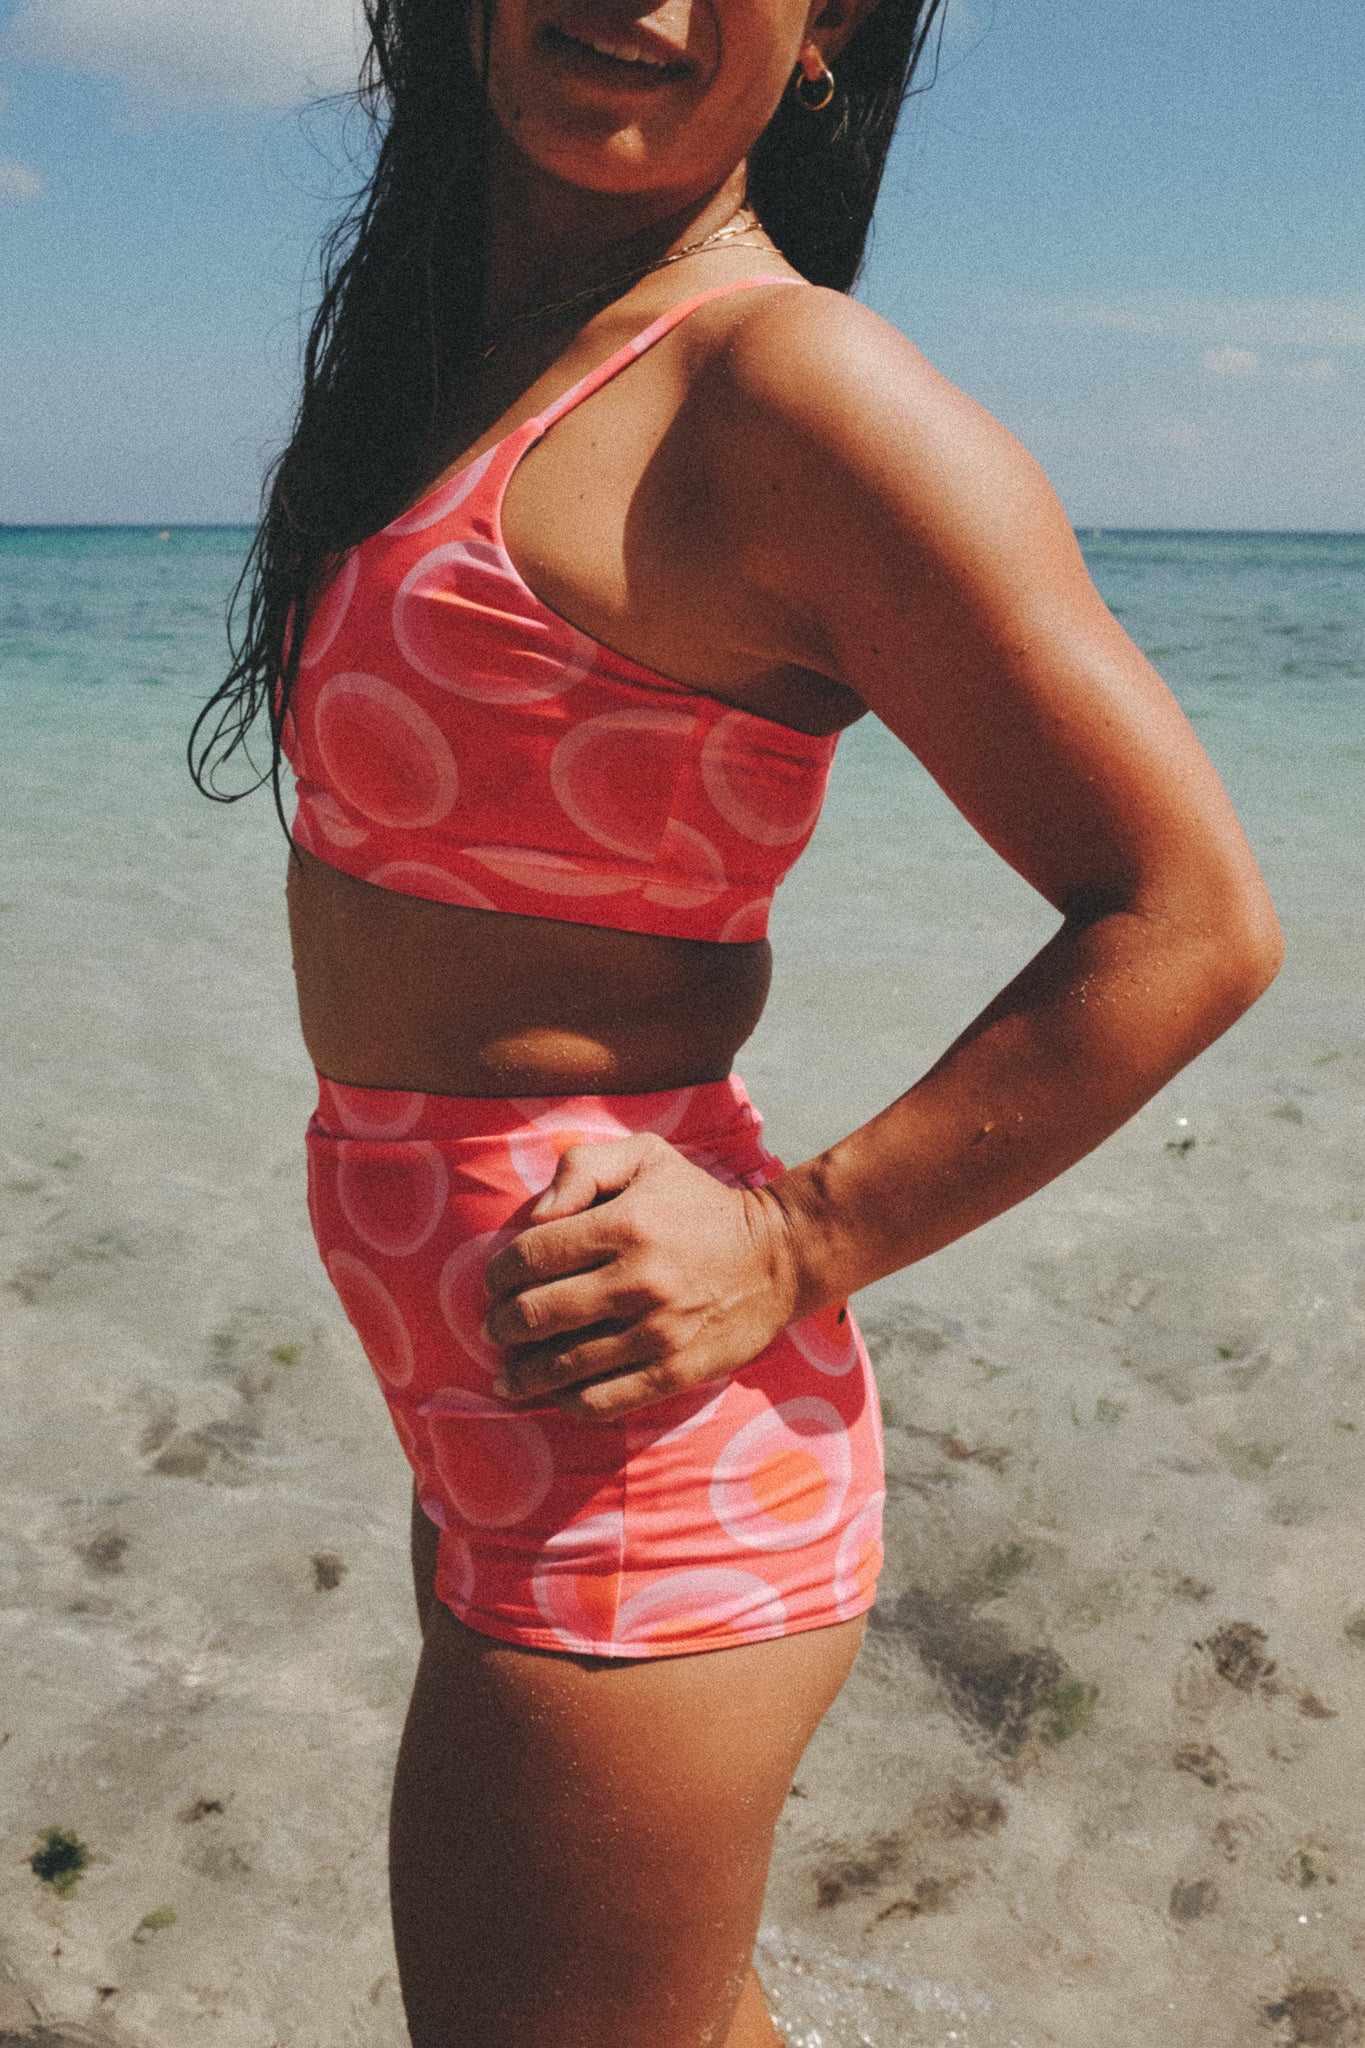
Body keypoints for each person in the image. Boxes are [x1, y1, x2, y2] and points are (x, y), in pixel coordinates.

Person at [191, 0, 1282, 2040]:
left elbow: (1188, 918)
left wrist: (794, 1235)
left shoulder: (792, 391)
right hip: (509, 1396)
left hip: (645, 1453)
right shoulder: (493, 349)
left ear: (825, 34)